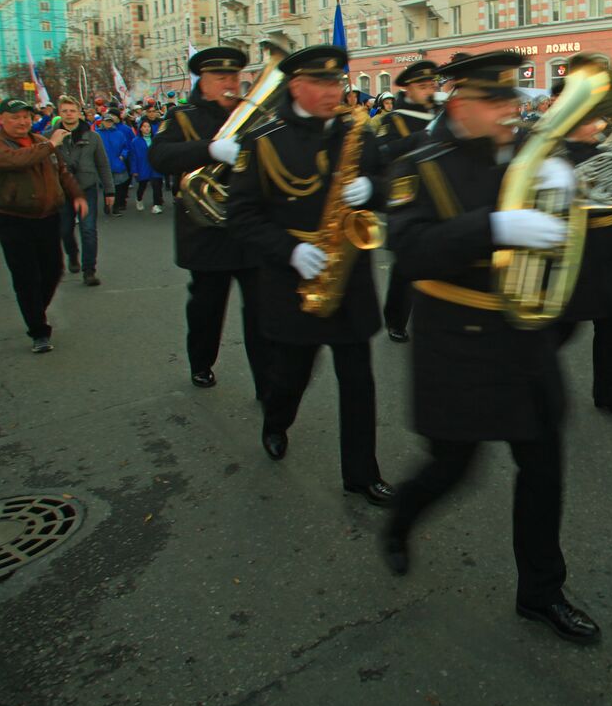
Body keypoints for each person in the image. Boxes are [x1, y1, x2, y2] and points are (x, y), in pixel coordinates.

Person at [381, 50, 601, 644]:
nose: (512, 111)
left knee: (543, 467)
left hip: (525, 338)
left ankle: (541, 590)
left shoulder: (534, 153)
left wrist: (572, 182)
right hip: (457, 340)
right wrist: (495, 226)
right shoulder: (416, 164)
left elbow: (578, 224)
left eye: (514, 99)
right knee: (453, 466)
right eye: (496, 102)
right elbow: (410, 249)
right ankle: (402, 517)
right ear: (459, 104)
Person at [225, 44, 393, 506]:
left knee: (358, 379)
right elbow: (240, 215)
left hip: (348, 273)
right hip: (293, 277)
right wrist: (291, 251)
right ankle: (276, 421)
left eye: (337, 82)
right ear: (295, 85)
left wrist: (372, 187)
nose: (333, 91)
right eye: (321, 83)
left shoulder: (357, 128)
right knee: (291, 375)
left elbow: (391, 181)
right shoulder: (262, 140)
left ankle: (362, 473)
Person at [149, 47, 273, 397]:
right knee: (206, 307)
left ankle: (266, 383)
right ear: (202, 81)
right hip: (205, 231)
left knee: (261, 314)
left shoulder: (255, 115)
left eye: (234, 77)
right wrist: (210, 150)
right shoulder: (183, 117)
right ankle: (201, 363)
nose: (230, 84)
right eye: (221, 78)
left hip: (250, 230)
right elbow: (158, 156)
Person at [555, 99, 612, 420]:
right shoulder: (554, 158)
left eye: (596, 121)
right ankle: (526, 377)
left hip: (607, 247)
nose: (597, 127)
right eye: (588, 121)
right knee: (560, 328)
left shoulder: (604, 154)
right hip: (574, 248)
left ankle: (610, 395)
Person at [0, 99, 87, 353]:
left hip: (47, 217)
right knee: (26, 276)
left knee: (53, 270)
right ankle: (38, 330)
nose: (22, 122)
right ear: (1, 119)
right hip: (14, 219)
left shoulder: (39, 140)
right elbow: (17, 161)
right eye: (15, 117)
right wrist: (50, 145)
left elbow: (62, 172)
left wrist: (77, 195)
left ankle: (35, 309)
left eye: (26, 116)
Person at [372, 59, 441, 343]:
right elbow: (382, 153)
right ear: (409, 89)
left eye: (432, 85)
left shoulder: (443, 113)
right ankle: (396, 320)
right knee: (405, 267)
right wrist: (418, 138)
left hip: (440, 195)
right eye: (422, 86)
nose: (429, 90)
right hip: (407, 199)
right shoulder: (393, 119)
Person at [53, 96, 114, 286]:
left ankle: (89, 270)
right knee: (64, 229)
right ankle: (72, 255)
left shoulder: (92, 136)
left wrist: (109, 191)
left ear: (79, 113)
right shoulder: (51, 136)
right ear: (59, 113)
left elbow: (103, 164)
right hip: (63, 190)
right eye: (65, 111)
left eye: (72, 111)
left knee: (88, 229)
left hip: (87, 187)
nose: (69, 114)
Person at [97, 111, 132, 215]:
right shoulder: (97, 134)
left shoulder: (119, 134)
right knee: (107, 187)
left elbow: (125, 147)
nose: (109, 123)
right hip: (104, 165)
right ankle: (107, 206)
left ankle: (116, 207)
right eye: (107, 121)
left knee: (118, 187)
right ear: (102, 122)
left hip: (117, 164)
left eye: (110, 122)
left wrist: (123, 155)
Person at [130, 119, 165, 214]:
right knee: (142, 185)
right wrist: (134, 170)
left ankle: (156, 205)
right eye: (144, 127)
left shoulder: (156, 140)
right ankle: (139, 199)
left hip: (154, 166)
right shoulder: (135, 141)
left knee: (157, 186)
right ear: (140, 128)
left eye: (148, 127)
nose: (147, 129)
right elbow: (133, 157)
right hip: (142, 166)